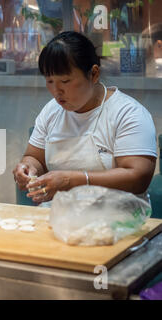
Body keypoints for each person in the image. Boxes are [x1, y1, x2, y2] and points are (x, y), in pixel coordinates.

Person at [13, 31, 157, 205]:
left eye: (65, 81)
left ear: (94, 74)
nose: (57, 91)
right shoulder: (52, 111)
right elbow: (35, 157)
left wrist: (71, 180)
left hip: (118, 221)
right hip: (58, 218)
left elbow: (137, 177)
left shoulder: (127, 113)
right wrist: (28, 167)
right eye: (50, 81)